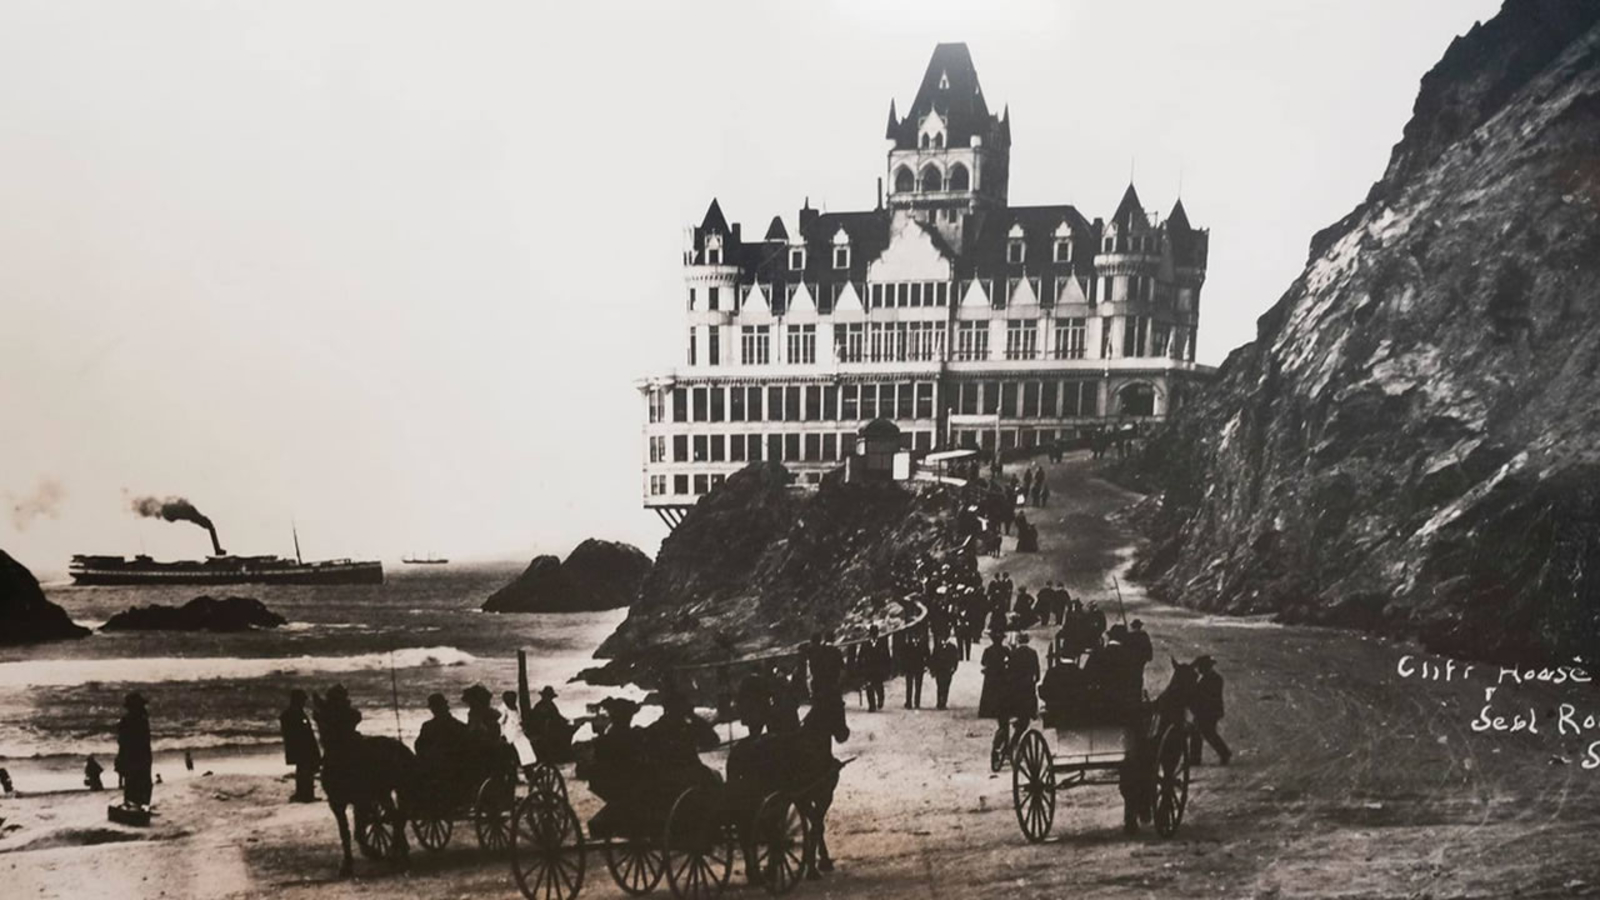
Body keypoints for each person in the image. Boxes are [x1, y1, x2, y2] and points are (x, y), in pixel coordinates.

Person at [279, 688, 321, 803]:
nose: (304, 702)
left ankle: (305, 794)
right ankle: (305, 795)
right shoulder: (293, 713)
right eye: (302, 699)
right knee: (305, 771)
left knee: (304, 770)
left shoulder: (295, 713)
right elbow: (298, 732)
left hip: (302, 747)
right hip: (302, 747)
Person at [1191, 656, 1232, 765]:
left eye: (1200, 667)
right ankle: (1195, 758)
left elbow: (1206, 696)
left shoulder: (1213, 679)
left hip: (1209, 711)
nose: (1198, 669)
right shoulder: (1211, 678)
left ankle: (1224, 753)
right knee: (1199, 732)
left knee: (1207, 733)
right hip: (1206, 711)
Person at [115, 691, 153, 810]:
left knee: (131, 780)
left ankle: (132, 805)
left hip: (130, 754)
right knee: (143, 779)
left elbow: (122, 741)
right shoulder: (143, 719)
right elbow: (145, 740)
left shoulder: (127, 720)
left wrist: (120, 757)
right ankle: (141, 805)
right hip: (143, 754)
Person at [979, 631, 1010, 765]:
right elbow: (1010, 661)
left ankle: (988, 710)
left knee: (989, 694)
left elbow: (983, 662)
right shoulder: (1005, 650)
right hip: (1001, 676)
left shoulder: (988, 650)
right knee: (1000, 694)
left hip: (991, 676)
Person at [500, 691, 538, 781]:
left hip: (518, 732)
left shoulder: (515, 708)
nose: (513, 701)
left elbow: (518, 720)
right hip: (510, 733)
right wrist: (503, 734)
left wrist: (522, 726)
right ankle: (528, 772)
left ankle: (529, 770)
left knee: (526, 744)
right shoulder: (503, 710)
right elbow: (501, 723)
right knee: (522, 746)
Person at [859, 626, 891, 712]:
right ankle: (872, 705)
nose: (873, 636)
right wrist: (860, 668)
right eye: (872, 634)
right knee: (869, 687)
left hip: (879, 669)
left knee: (879, 686)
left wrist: (887, 668)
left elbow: (887, 657)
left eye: (875, 634)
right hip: (868, 669)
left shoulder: (882, 644)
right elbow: (860, 657)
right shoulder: (865, 644)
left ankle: (880, 699)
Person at [737, 668, 772, 737]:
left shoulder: (745, 681)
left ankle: (753, 740)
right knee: (758, 728)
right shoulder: (762, 680)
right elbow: (767, 693)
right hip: (760, 710)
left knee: (752, 729)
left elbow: (740, 695)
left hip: (749, 710)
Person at [930, 637, 961, 711]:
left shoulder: (952, 647)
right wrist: (933, 670)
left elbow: (955, 659)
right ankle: (939, 702)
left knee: (946, 685)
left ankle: (944, 701)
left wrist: (954, 668)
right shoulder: (937, 647)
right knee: (939, 685)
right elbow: (933, 659)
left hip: (947, 670)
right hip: (939, 670)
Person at [901, 631, 927, 710]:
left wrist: (926, 665)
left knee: (918, 685)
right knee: (909, 686)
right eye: (914, 637)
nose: (915, 639)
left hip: (919, 668)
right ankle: (909, 702)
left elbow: (927, 655)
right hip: (909, 668)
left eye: (917, 637)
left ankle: (917, 702)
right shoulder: (908, 646)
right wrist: (904, 668)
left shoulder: (923, 645)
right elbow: (904, 657)